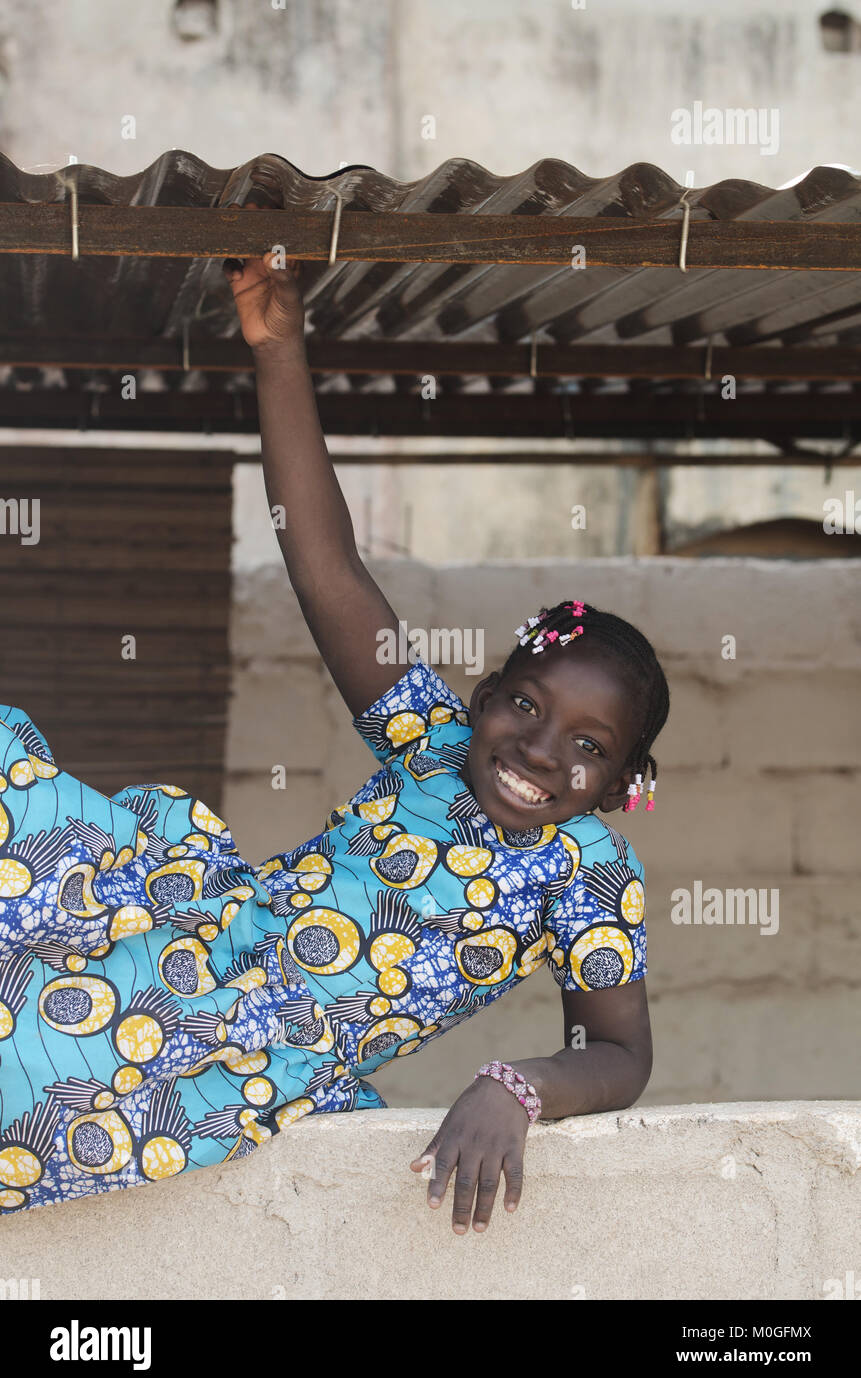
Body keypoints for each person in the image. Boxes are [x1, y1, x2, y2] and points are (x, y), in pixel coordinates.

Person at [0, 240, 667, 1234]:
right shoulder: (432, 745)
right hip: (187, 940)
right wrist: (277, 345)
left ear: (620, 783)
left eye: (587, 746)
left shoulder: (592, 874)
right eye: (525, 705)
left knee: (38, 1080)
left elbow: (619, 1054)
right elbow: (326, 568)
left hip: (259, 1059)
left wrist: (515, 1089)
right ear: (484, 696)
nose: (539, 750)